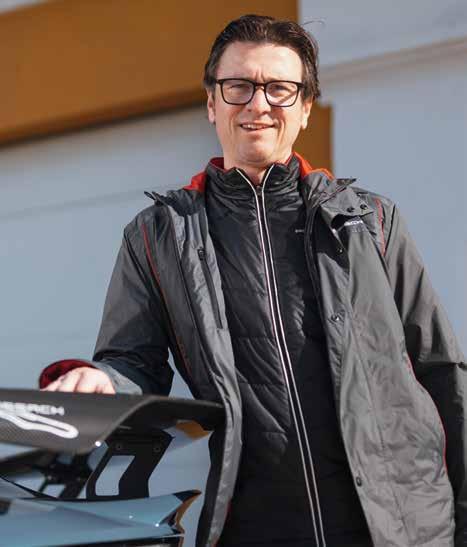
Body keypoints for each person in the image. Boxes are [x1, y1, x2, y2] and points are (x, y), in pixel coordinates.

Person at [40, 14, 467, 547]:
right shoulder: (158, 236)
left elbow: (441, 371)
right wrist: (103, 381)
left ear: (305, 108)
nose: (258, 104)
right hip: (258, 526)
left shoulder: (372, 222)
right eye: (238, 86)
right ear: (212, 103)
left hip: (402, 525)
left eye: (279, 88)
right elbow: (132, 362)